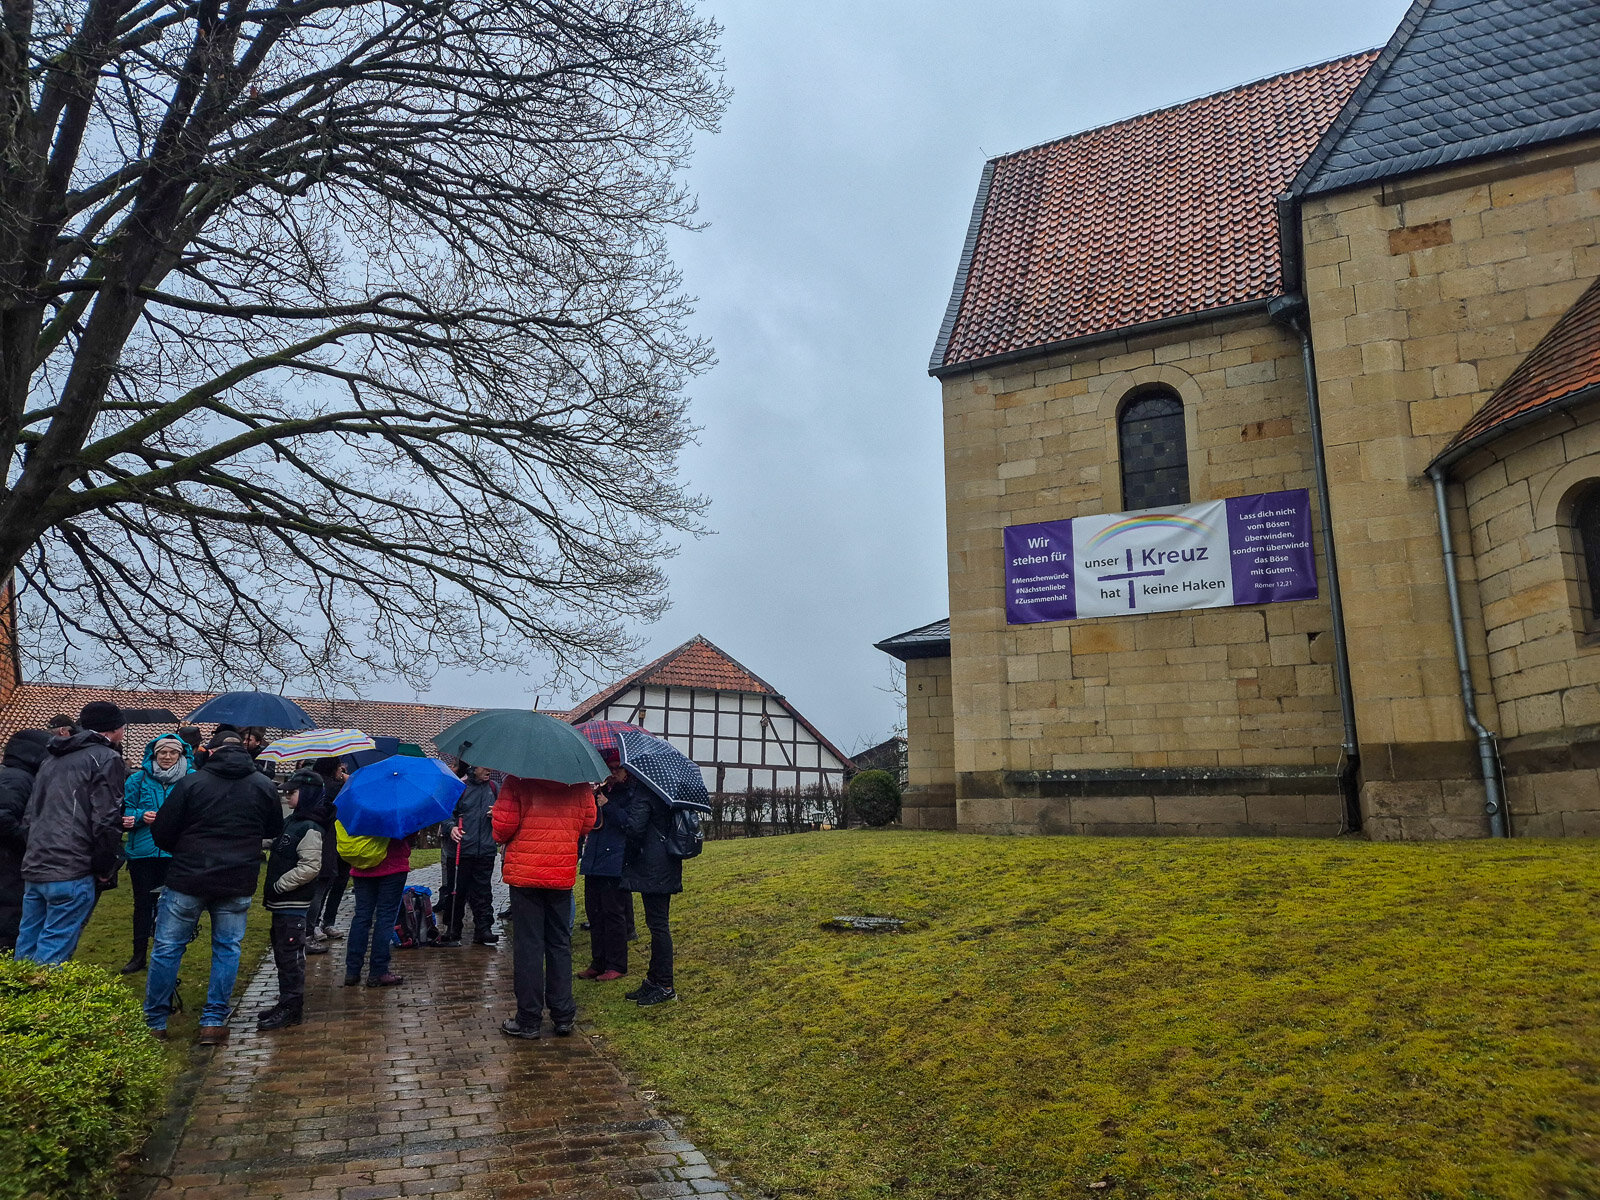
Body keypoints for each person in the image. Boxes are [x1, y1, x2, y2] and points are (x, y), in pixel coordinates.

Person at [144, 728, 281, 1044]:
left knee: (167, 947)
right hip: (237, 878)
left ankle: (155, 1021)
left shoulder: (192, 782)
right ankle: (213, 1021)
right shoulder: (262, 785)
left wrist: (183, 849)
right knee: (227, 948)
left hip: (188, 876)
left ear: (213, 751)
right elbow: (273, 827)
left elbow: (163, 829)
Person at [16, 703, 128, 964]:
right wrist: (105, 866)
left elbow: (31, 815)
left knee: (26, 947)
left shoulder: (51, 759)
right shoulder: (106, 758)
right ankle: (41, 1004)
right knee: (53, 952)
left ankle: (15, 1002)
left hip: (36, 864)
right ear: (115, 728)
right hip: (72, 866)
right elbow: (106, 819)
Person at [493, 775, 599, 1039]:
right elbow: (588, 824)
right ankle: (563, 1016)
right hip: (560, 873)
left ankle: (528, 1020)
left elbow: (502, 829)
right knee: (559, 944)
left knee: (529, 947)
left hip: (525, 874)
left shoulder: (516, 780)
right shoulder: (580, 783)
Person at [117, 734, 194, 974]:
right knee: (142, 904)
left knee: (171, 905)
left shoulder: (191, 780)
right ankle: (138, 955)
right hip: (143, 851)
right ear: (154, 754)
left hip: (176, 852)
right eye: (163, 752)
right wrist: (140, 816)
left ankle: (165, 953)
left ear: (181, 755)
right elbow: (127, 810)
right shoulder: (137, 779)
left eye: (173, 752)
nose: (167, 757)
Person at [257, 771, 325, 1030]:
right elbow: (279, 844)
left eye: (292, 792)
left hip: (293, 904)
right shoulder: (293, 821)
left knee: (291, 957)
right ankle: (285, 1001)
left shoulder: (310, 827)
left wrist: (279, 885)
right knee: (282, 955)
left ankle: (292, 1008)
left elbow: (310, 867)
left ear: (306, 794)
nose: (287, 796)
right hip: (281, 904)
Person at [620, 776, 684, 1006]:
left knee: (658, 925)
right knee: (657, 923)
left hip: (653, 864)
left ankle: (665, 985)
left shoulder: (645, 790)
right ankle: (654, 980)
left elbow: (635, 827)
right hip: (665, 862)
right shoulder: (667, 788)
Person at [578, 759, 635, 982]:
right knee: (595, 914)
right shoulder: (600, 791)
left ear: (626, 772)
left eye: (616, 770)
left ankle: (617, 964)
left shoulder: (631, 794)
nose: (612, 774)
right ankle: (598, 962)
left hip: (615, 862)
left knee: (613, 915)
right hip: (594, 859)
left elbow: (629, 824)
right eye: (609, 770)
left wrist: (607, 805)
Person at [0, 730, 51, 952]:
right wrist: (34, 840)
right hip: (9, 865)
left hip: (10, 863)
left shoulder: (16, 776)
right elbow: (3, 818)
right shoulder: (17, 778)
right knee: (9, 923)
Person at [438, 764, 499, 948]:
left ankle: (483, 929)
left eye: (490, 767)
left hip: (486, 849)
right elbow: (446, 812)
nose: (489, 770)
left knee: (483, 891)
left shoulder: (495, 788)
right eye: (484, 767)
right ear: (473, 768)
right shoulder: (459, 787)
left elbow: (506, 812)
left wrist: (498, 814)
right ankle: (453, 928)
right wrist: (451, 827)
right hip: (461, 850)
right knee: (456, 890)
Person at [344, 832, 411, 988]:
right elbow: (407, 832)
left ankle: (352, 971)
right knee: (385, 919)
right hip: (393, 865)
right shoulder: (396, 807)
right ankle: (378, 972)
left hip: (363, 864)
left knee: (361, 917)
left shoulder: (361, 807)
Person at [308, 757, 350, 942]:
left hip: (336, 839)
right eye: (340, 768)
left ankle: (321, 923)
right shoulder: (331, 787)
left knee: (334, 881)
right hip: (333, 840)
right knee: (328, 881)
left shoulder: (325, 785)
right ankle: (321, 923)